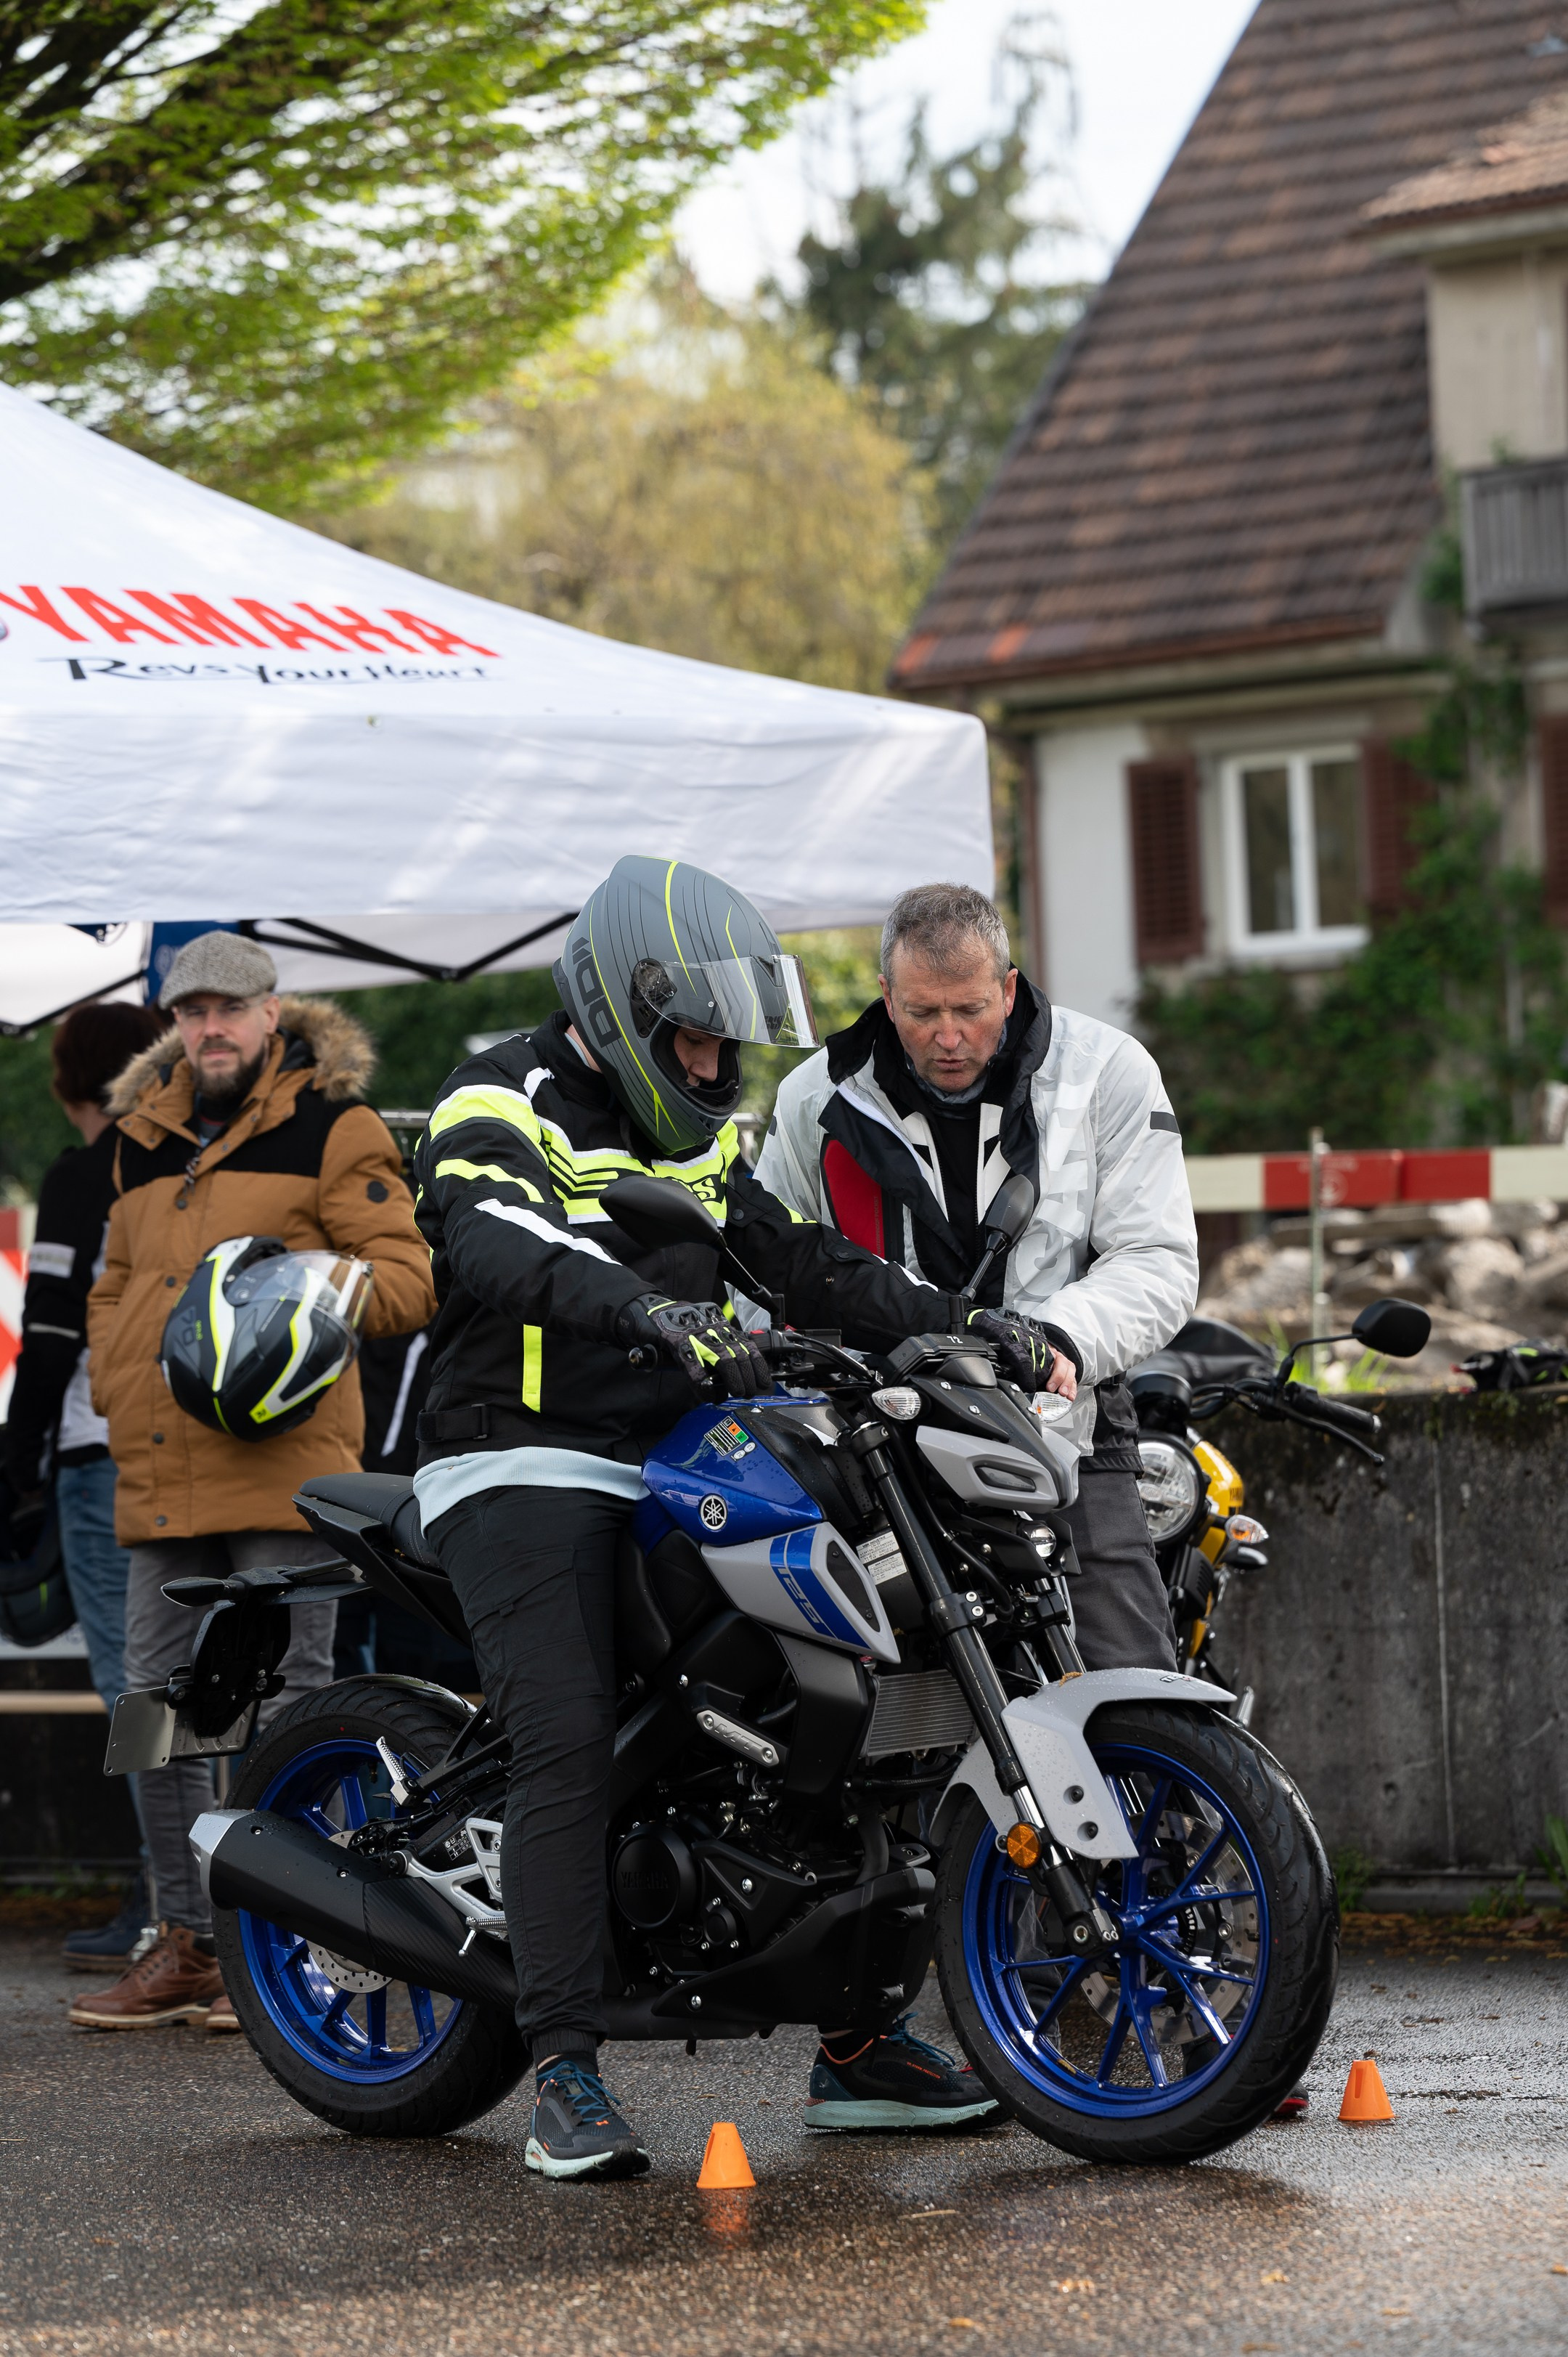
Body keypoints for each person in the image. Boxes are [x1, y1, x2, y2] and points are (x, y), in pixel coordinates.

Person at [412, 855, 1067, 2180]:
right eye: (690, 1037)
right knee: (567, 1733)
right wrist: (647, 1309)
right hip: (522, 1459)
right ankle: (565, 2072)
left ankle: (855, 2033)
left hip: (673, 1450)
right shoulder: (500, 1093)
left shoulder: (704, 1127)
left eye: (722, 1040)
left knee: (831, 1684)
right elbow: (497, 1244)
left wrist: (965, 1324)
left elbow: (800, 1257)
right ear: (620, 1003)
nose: (711, 1062)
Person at [68, 932, 436, 2033]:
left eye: (231, 1009)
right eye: (192, 1012)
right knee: (152, 1714)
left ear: (273, 1013)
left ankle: (281, 1945)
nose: (212, 1027)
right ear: (173, 1021)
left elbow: (409, 1284)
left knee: (289, 1708)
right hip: (159, 1472)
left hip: (288, 1471)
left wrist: (290, 1302)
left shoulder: (337, 1124)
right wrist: (113, 1365)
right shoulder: (138, 1138)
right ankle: (185, 1943)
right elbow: (116, 1286)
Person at [756, 880, 1198, 1676]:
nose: (949, 1037)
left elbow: (1159, 1259)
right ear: (886, 999)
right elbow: (764, 1279)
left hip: (1070, 1432)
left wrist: (1061, 1336)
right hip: (889, 1455)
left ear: (1009, 989)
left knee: (1133, 1694)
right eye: (923, 1013)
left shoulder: (1110, 1073)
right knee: (917, 1729)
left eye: (970, 1009)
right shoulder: (812, 1100)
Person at [3, 1000, 173, 1970]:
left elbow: (54, 1337)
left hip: (98, 1450)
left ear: (76, 1080)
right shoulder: (194, 1166)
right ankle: (196, 1896)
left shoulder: (87, 1174)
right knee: (196, 1683)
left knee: (133, 1686)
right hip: (187, 1452)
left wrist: (17, 1454)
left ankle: (166, 1907)